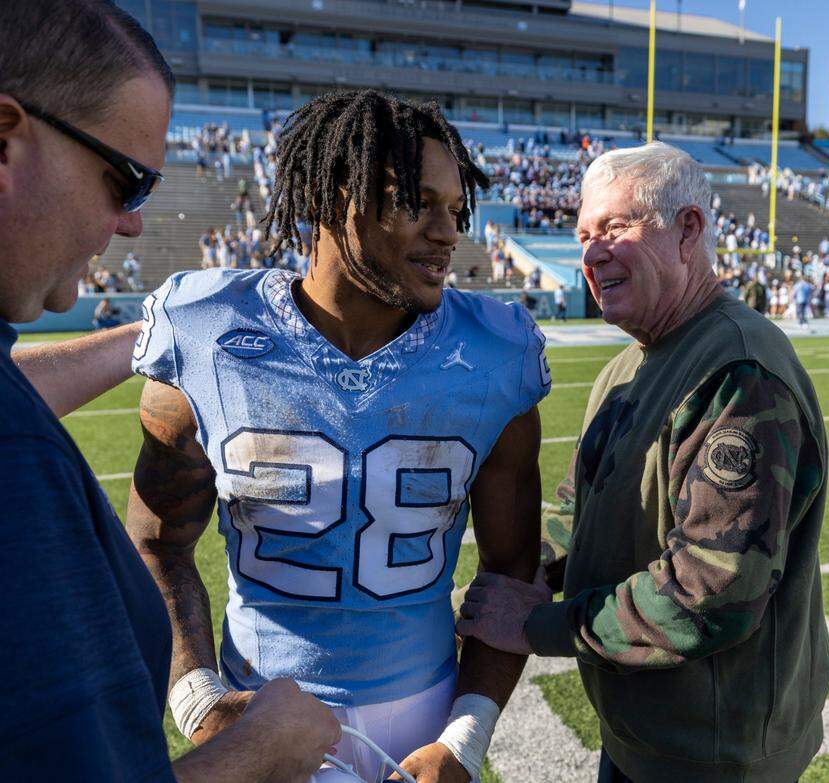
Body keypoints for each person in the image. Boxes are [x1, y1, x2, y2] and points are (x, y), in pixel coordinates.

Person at [127, 90, 550, 783]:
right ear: (334, 195)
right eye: (418, 201)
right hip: (256, 707)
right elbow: (156, 540)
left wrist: (466, 737)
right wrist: (200, 699)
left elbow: (508, 575)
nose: (449, 232)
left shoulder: (496, 354)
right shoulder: (206, 333)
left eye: (455, 208)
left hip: (423, 720)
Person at [0, 1, 340, 780]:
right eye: (126, 180)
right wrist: (264, 744)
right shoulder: (13, 458)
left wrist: (147, 334)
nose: (132, 223)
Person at [456, 142, 829, 783]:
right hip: (646, 734)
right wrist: (520, 578)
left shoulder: (737, 370)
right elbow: (576, 515)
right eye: (583, 234)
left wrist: (536, 624)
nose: (592, 252)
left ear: (689, 232)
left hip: (712, 754)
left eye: (617, 227)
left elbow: (711, 592)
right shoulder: (625, 368)